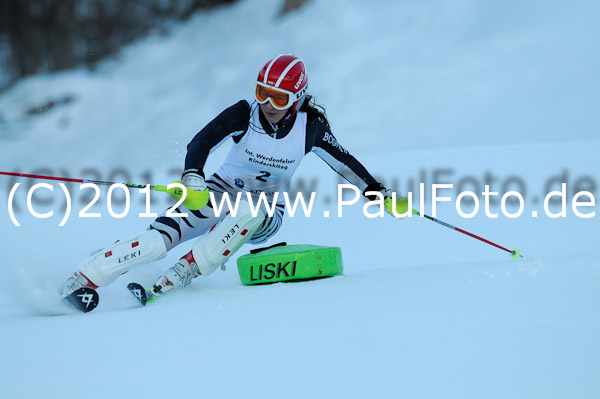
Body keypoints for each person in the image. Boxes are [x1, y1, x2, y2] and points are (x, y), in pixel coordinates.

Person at [59, 54, 395, 302]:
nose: (268, 104)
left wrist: (377, 192)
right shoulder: (243, 113)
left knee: (251, 210)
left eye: (279, 98)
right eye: (263, 92)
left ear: (298, 98)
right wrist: (193, 177)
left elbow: (345, 162)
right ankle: (83, 278)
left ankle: (187, 270)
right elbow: (201, 142)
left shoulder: (311, 130)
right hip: (219, 193)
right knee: (157, 239)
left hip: (266, 211)